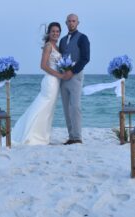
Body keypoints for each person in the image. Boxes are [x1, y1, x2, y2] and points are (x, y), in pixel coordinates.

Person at [12, 22, 63, 145]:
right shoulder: (48, 46)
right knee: (42, 106)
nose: (55, 33)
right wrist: (59, 75)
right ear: (49, 33)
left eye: (57, 31)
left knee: (49, 109)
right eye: (53, 31)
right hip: (50, 81)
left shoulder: (57, 47)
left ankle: (43, 136)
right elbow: (43, 65)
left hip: (56, 82)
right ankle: (31, 135)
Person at [59, 14, 90, 145]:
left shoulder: (83, 38)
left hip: (76, 75)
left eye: (74, 21)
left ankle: (77, 137)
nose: (71, 23)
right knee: (66, 108)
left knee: (75, 106)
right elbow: (59, 57)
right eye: (69, 21)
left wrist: (72, 71)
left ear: (78, 23)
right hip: (63, 77)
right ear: (66, 23)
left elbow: (85, 58)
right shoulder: (62, 40)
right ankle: (71, 136)